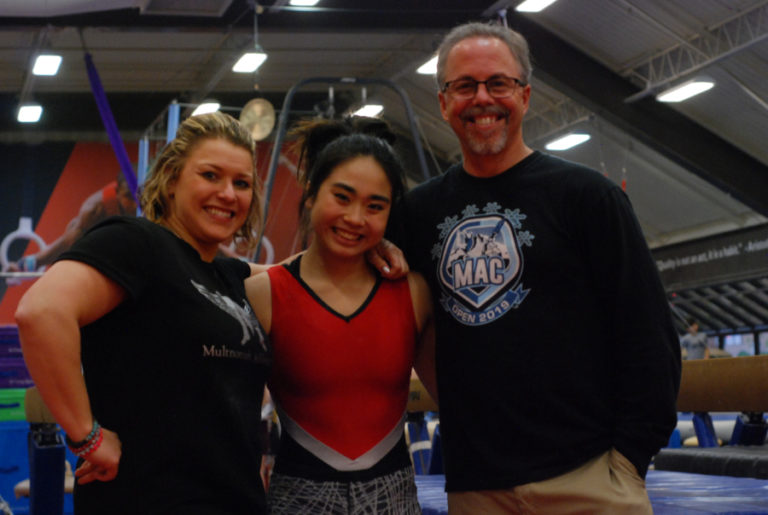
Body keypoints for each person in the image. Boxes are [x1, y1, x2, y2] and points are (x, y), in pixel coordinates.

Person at [388, 22, 681, 513]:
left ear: (525, 95)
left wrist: (629, 461)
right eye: (465, 86)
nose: (482, 99)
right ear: (443, 103)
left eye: (497, 83)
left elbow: (648, 335)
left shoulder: (587, 197)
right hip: (476, 484)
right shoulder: (417, 214)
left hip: (587, 477)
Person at [15, 112, 272, 514]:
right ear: (171, 180)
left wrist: (382, 250)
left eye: (242, 183)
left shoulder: (230, 276)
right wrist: (88, 436)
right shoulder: (138, 244)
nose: (228, 193)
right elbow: (40, 312)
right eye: (210, 176)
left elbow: (308, 274)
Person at [245, 117, 435, 514]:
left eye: (374, 206)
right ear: (311, 193)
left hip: (394, 497)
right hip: (298, 497)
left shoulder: (413, 292)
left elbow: (455, 395)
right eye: (342, 197)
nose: (355, 218)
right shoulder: (263, 292)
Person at [5, 173, 137, 273]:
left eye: (137, 197)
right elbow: (68, 242)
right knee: (74, 235)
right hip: (91, 236)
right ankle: (29, 263)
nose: (135, 204)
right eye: (128, 197)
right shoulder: (94, 209)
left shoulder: (147, 199)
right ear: (118, 192)